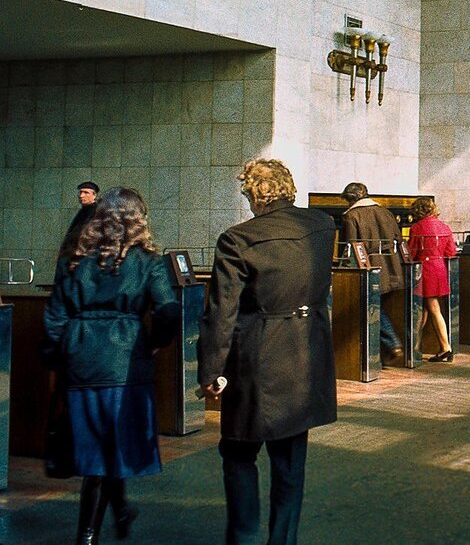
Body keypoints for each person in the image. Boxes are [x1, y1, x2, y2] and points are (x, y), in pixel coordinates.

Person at [199, 159, 337, 545]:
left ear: (254, 194)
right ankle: (283, 540)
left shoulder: (237, 239)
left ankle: (242, 537)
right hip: (307, 349)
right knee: (291, 456)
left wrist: (210, 371)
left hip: (258, 355)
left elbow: (221, 312)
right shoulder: (323, 225)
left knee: (238, 450)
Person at [42, 187, 181, 544]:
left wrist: (57, 360)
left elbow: (55, 318)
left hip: (82, 360)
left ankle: (119, 510)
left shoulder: (72, 261)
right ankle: (87, 535)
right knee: (111, 447)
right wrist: (154, 343)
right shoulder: (148, 261)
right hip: (127, 362)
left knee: (97, 446)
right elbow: (168, 309)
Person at [340, 182, 405, 365]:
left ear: (351, 198)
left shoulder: (351, 216)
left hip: (368, 269)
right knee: (375, 306)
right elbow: (398, 239)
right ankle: (381, 355)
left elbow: (350, 248)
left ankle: (391, 342)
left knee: (371, 307)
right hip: (391, 268)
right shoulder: (386, 212)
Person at [408, 197, 458, 363]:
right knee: (427, 308)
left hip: (425, 270)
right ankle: (416, 346)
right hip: (440, 269)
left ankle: (445, 348)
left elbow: (411, 254)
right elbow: (451, 252)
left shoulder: (417, 228)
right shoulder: (444, 226)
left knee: (432, 308)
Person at [59, 180, 100, 261]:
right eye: (80, 192)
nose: (81, 196)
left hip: (84, 255)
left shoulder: (96, 211)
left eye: (86, 193)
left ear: (94, 195)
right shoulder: (84, 210)